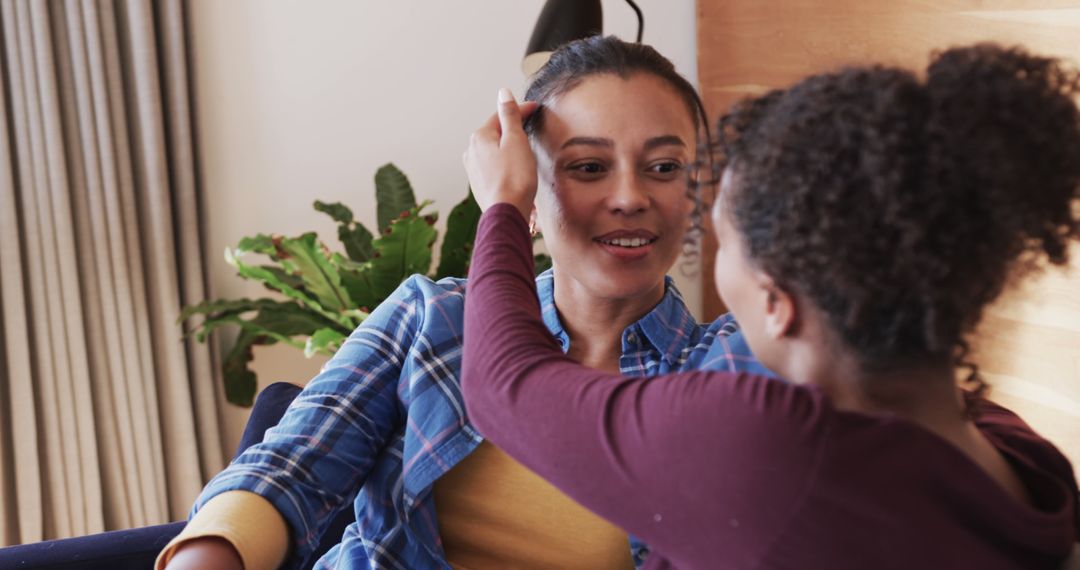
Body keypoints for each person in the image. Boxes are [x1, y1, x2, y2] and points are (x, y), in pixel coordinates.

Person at [158, 36, 770, 570]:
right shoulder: (431, 318)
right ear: (529, 186)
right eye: (588, 167)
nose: (630, 196)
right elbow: (290, 472)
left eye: (664, 167)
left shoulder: (731, 364)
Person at [461, 43, 1080, 569]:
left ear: (778, 303)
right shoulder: (1027, 466)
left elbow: (501, 383)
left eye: (725, 242)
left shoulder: (758, 444)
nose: (629, 197)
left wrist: (503, 205)